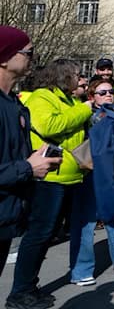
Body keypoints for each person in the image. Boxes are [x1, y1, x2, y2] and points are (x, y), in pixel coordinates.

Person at [8, 59, 93, 309]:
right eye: (77, 74)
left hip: (67, 176)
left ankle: (29, 287)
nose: (81, 79)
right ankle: (19, 292)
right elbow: (50, 125)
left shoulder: (69, 100)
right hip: (48, 178)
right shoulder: (42, 97)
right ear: (63, 75)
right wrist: (85, 109)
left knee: (47, 236)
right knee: (38, 235)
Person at [0, 28, 61, 291]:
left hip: (7, 216)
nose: (33, 59)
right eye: (28, 52)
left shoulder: (14, 103)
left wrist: (35, 161)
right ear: (4, 58)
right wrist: (27, 167)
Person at [69, 77, 114, 287]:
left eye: (111, 91)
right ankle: (81, 271)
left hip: (111, 172)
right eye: (102, 92)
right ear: (92, 97)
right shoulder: (87, 114)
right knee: (86, 223)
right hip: (88, 173)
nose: (108, 95)